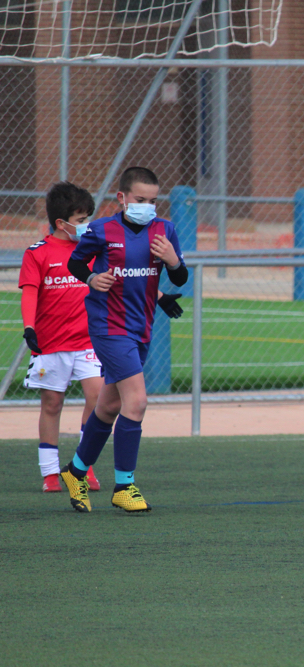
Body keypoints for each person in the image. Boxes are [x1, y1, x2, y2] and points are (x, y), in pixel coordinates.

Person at [61, 167, 188, 513]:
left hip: (141, 327)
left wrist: (173, 260)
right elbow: (75, 263)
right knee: (138, 401)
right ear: (122, 198)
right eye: (140, 199)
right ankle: (124, 486)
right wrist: (91, 278)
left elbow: (180, 276)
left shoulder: (165, 230)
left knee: (109, 407)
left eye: (153, 201)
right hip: (109, 327)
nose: (148, 206)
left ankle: (75, 471)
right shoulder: (102, 230)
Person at [19, 182, 103, 493]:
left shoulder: (93, 250)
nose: (87, 225)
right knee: (52, 403)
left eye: (88, 218)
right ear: (61, 222)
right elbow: (30, 293)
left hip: (89, 341)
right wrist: (30, 327)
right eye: (81, 219)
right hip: (51, 343)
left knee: (98, 397)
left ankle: (83, 467)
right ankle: (50, 473)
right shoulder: (37, 253)